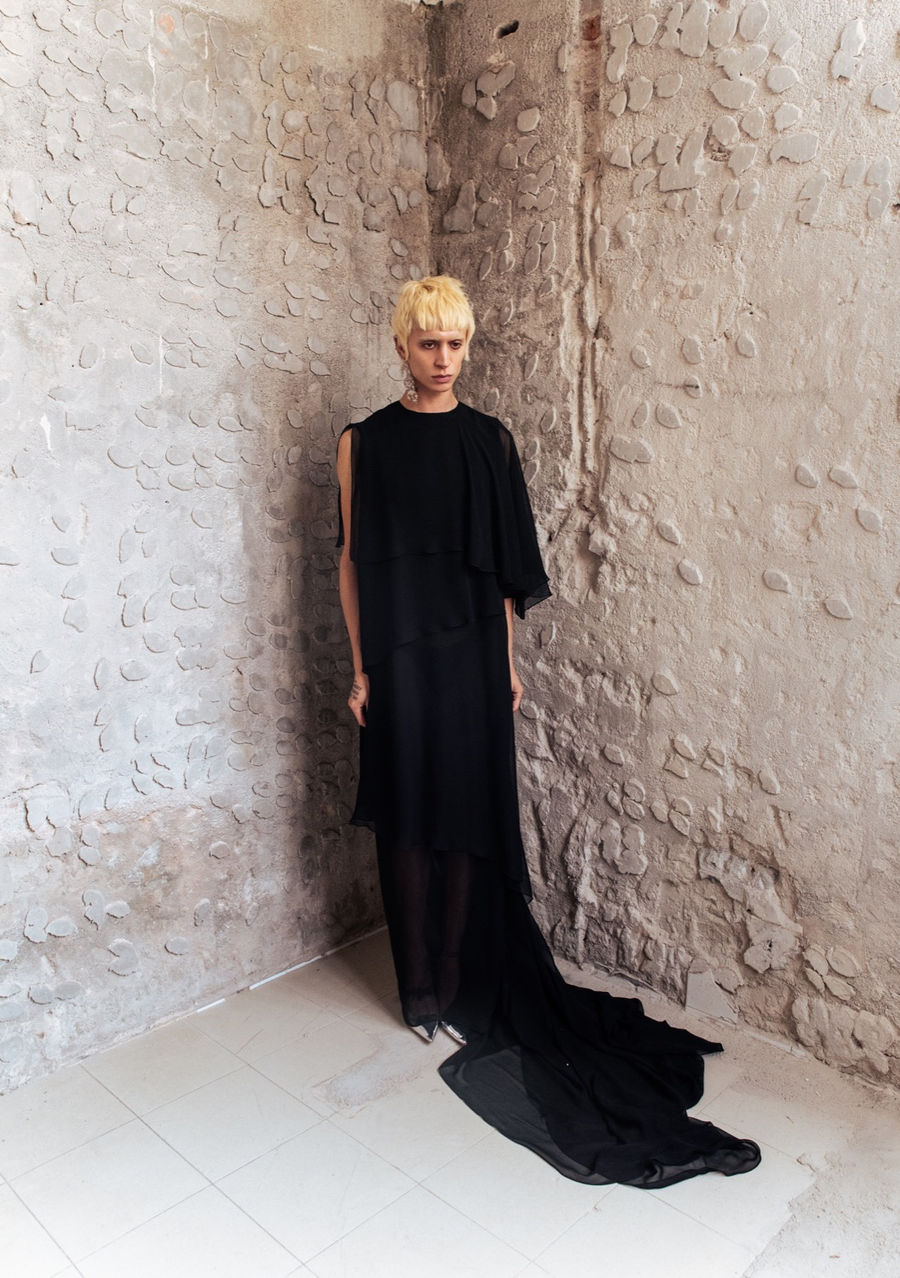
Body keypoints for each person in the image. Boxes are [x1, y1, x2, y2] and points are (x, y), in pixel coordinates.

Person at [335, 275, 761, 1188]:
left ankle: (455, 981)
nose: (443, 358)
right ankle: (418, 991)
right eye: (428, 343)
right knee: (407, 819)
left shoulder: (490, 440)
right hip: (401, 661)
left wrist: (509, 664)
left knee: (467, 820)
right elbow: (352, 563)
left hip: (470, 660)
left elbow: (500, 577)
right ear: (401, 345)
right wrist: (362, 670)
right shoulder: (361, 443)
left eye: (456, 344)